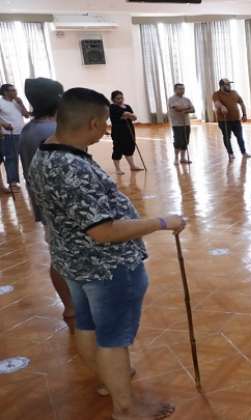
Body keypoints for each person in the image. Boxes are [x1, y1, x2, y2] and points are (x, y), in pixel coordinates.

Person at [28, 87, 184, 420]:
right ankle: (125, 409)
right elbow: (104, 231)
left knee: (87, 325)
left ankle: (106, 382)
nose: (106, 130)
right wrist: (161, 222)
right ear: (93, 122)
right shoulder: (74, 169)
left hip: (73, 262)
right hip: (106, 268)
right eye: (104, 125)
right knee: (113, 339)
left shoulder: (45, 152)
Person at [19, 77, 75, 324]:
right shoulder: (51, 132)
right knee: (65, 257)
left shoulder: (30, 129)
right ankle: (74, 307)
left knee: (58, 255)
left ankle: (71, 306)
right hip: (63, 209)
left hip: (47, 206)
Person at [0, 83, 31, 192]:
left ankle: (29, 178)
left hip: (22, 133)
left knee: (25, 157)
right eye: (12, 90)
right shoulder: (1, 102)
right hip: (9, 135)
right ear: (5, 92)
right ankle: (13, 183)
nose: (15, 92)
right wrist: (3, 124)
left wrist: (21, 104)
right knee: (12, 159)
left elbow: (26, 115)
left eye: (15, 89)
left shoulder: (16, 101)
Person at [213, 78, 250, 160]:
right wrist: (222, 107)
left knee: (240, 137)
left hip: (236, 120)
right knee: (227, 137)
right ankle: (230, 153)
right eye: (227, 84)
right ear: (222, 86)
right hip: (224, 121)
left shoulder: (234, 92)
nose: (229, 85)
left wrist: (244, 114)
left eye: (229, 84)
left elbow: (241, 103)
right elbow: (216, 103)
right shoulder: (217, 94)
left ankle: (243, 152)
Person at [109, 91, 143, 175]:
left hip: (129, 130)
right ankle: (117, 169)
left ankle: (132, 166)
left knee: (130, 146)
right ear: (113, 99)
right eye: (118, 98)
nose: (120, 100)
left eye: (121, 98)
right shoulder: (112, 107)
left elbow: (134, 118)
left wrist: (128, 115)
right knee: (118, 148)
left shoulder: (127, 106)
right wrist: (127, 115)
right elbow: (125, 114)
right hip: (118, 131)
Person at [168, 83, 195, 166]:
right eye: (180, 89)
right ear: (175, 90)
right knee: (178, 141)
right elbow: (177, 109)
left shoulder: (187, 99)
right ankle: (176, 158)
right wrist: (187, 109)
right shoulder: (172, 99)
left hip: (186, 123)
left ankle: (183, 158)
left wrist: (186, 110)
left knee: (185, 141)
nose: (182, 90)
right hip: (177, 124)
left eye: (183, 88)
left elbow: (193, 109)